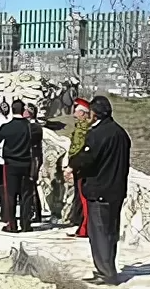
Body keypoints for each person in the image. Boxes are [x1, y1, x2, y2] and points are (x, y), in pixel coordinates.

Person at [68, 96, 131, 286]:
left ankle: (106, 273)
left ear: (95, 113)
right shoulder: (121, 133)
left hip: (99, 189)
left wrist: (72, 165)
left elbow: (87, 159)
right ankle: (107, 267)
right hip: (116, 190)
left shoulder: (98, 134)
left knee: (100, 234)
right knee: (111, 232)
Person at [0, 99, 34, 233]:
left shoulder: (7, 126)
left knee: (10, 195)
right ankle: (26, 224)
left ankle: (12, 225)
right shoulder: (29, 126)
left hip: (10, 164)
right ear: (23, 111)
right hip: (26, 163)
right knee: (26, 195)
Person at [64, 98, 91, 238]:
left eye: (76, 110)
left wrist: (71, 166)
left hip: (80, 167)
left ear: (83, 113)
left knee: (82, 198)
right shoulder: (79, 126)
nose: (74, 112)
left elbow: (78, 149)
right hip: (77, 166)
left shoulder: (83, 128)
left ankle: (84, 227)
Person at [24, 103, 44, 223]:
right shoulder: (27, 125)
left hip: (34, 157)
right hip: (28, 157)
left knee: (32, 185)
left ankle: (36, 212)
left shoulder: (35, 126)